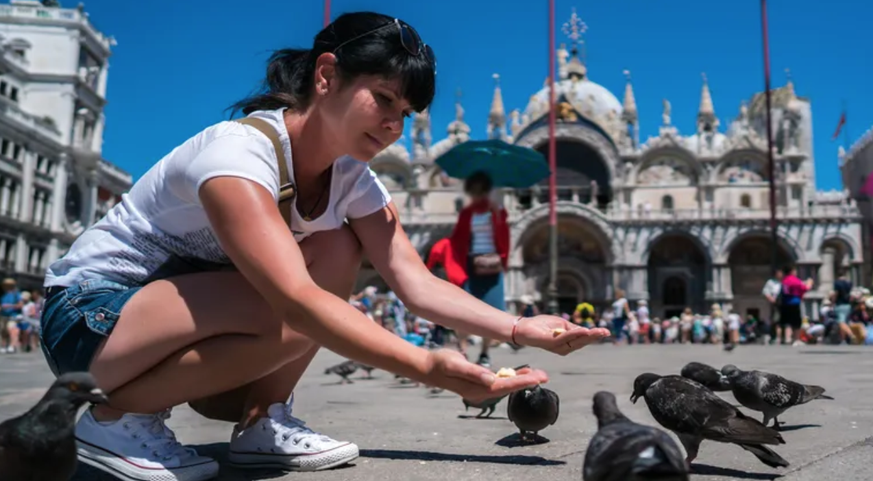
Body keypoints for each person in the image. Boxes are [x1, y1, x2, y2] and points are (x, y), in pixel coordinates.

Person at [37, 12, 609, 481]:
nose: (393, 126)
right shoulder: (237, 156)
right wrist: (427, 365)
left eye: (405, 114)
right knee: (296, 296)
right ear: (326, 75)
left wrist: (516, 328)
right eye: (383, 99)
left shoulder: (354, 180)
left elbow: (414, 281)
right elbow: (295, 301)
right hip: (90, 323)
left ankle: (263, 421)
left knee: (337, 242)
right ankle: (110, 420)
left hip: (177, 329)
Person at [447, 171, 510, 368]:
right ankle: (463, 349)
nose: (476, 195)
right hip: (470, 264)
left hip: (492, 265)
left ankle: (484, 352)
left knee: (491, 312)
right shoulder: (467, 214)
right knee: (462, 310)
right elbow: (457, 239)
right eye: (472, 191)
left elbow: (504, 237)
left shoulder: (497, 211)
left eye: (479, 191)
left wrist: (497, 215)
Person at [778, 264, 813, 345]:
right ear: (792, 271)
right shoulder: (794, 280)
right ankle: (796, 339)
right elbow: (803, 288)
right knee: (796, 322)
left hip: (785, 303)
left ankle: (787, 338)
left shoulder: (785, 280)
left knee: (787, 322)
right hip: (794, 302)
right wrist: (809, 283)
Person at [0, 278, 22, 353]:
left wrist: (9, 306)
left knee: (11, 330)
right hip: (3, 315)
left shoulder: (16, 294)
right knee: (3, 331)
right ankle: (3, 346)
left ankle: (12, 346)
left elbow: (20, 305)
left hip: (13, 315)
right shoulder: (2, 294)